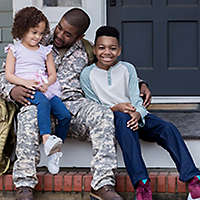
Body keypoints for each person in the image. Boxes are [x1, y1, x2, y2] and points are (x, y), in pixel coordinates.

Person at [0, 8, 151, 200]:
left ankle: (102, 184)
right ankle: (24, 186)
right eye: (59, 28)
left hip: (74, 106)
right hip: (41, 106)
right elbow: (3, 76)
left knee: (104, 113)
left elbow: (111, 65)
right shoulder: (36, 40)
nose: (60, 35)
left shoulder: (87, 50)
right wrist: (12, 91)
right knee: (28, 115)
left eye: (68, 34)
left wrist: (140, 83)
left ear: (79, 36)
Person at [80, 26, 200, 200]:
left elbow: (136, 98)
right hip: (112, 119)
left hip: (136, 115)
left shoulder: (127, 69)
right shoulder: (87, 74)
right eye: (102, 47)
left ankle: (193, 178)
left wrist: (138, 114)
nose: (107, 52)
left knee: (167, 128)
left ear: (119, 50)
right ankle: (142, 184)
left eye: (112, 48)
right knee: (122, 119)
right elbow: (94, 106)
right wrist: (116, 108)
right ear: (94, 49)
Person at [5, 7, 71, 174]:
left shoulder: (44, 51)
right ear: (22, 29)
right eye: (34, 32)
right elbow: (9, 75)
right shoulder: (15, 50)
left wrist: (46, 84)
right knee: (41, 102)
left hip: (44, 88)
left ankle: (54, 153)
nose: (38, 37)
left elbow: (53, 75)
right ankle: (46, 138)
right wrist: (25, 83)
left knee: (64, 115)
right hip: (27, 89)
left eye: (41, 34)